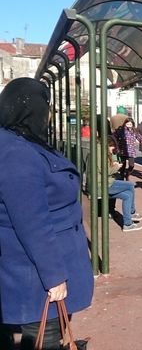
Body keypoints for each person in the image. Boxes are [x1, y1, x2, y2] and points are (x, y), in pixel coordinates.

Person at [0, 78, 94, 349]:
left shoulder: (18, 142)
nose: (49, 113)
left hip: (36, 266)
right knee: (45, 336)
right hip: (36, 276)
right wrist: (54, 277)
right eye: (47, 105)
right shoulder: (17, 154)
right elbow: (32, 222)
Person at [91, 136, 142, 232]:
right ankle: (132, 213)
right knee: (130, 185)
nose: (113, 150)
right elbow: (104, 171)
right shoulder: (99, 153)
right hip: (101, 184)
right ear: (108, 145)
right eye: (112, 147)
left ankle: (127, 224)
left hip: (102, 182)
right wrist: (117, 167)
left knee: (128, 195)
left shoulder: (97, 151)